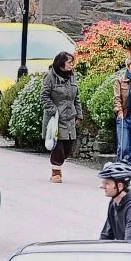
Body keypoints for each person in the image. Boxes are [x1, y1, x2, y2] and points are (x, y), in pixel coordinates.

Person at [43, 51, 80, 183]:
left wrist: (79, 115)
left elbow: (77, 98)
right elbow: (44, 97)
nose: (71, 65)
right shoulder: (50, 77)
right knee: (58, 146)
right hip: (56, 118)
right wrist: (54, 110)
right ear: (61, 63)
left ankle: (57, 166)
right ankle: (56, 172)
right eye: (69, 62)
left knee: (68, 146)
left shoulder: (72, 77)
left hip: (70, 117)